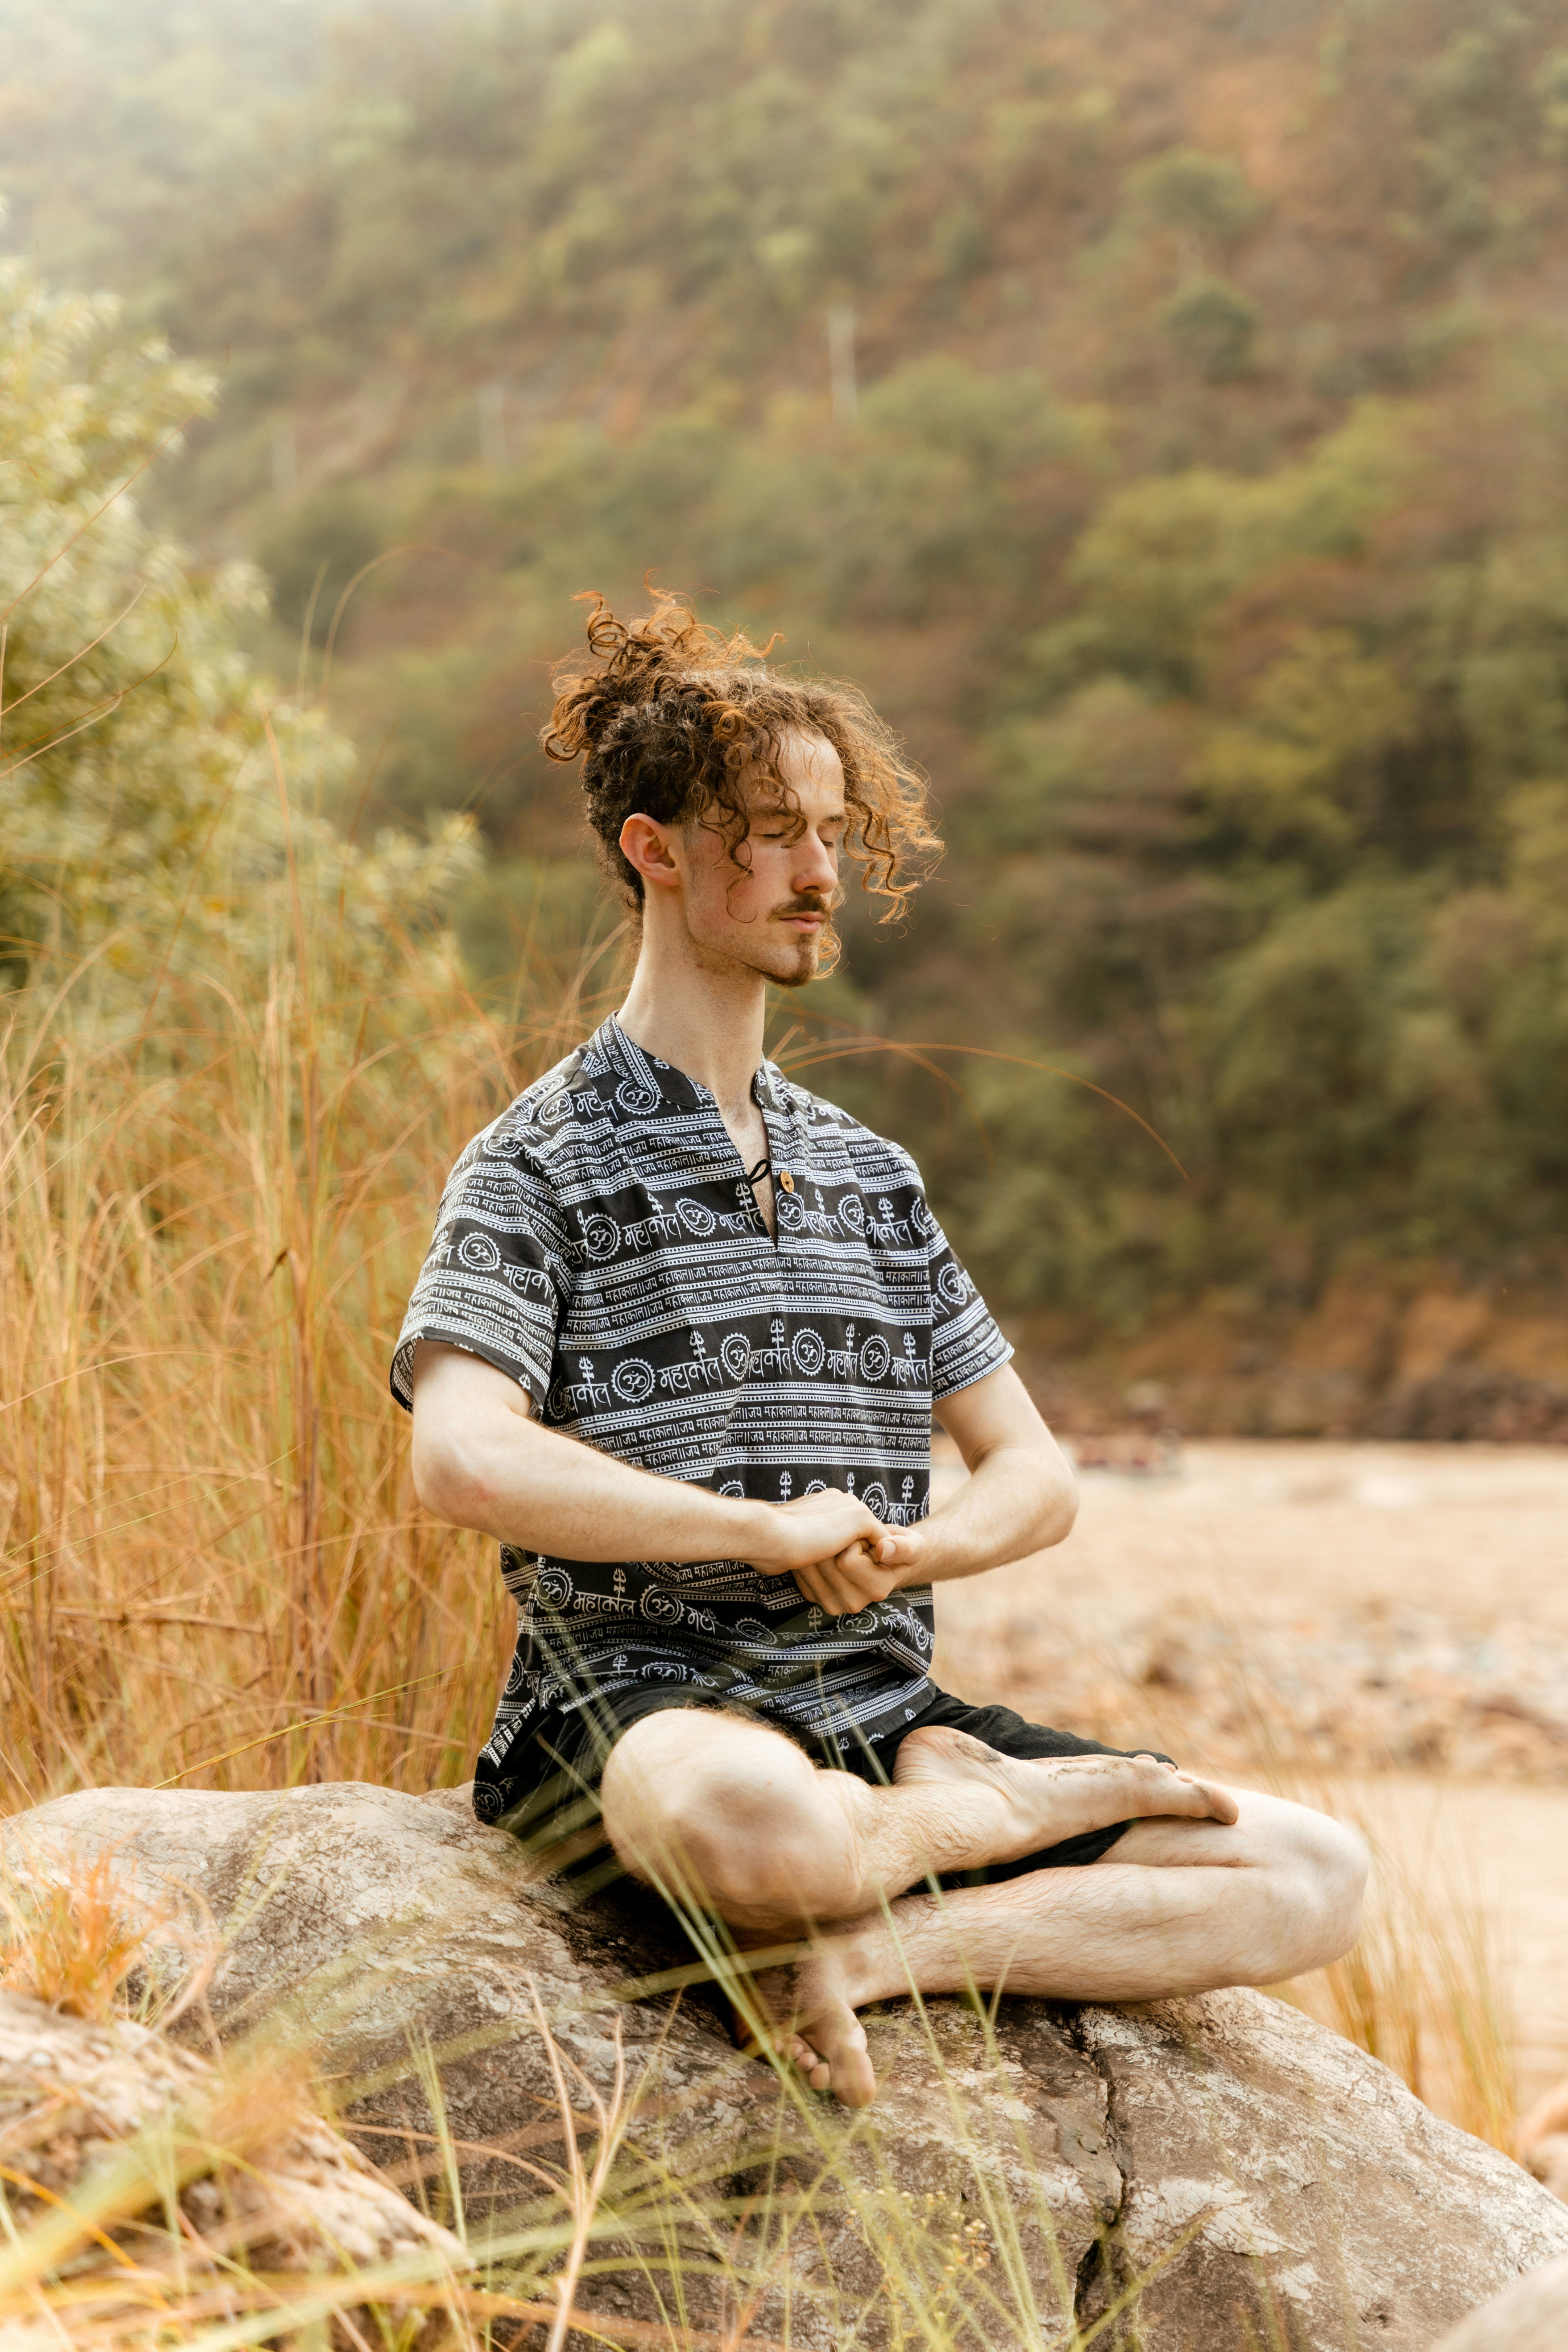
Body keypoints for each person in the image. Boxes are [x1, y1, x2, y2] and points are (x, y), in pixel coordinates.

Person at [393, 591, 1367, 2107]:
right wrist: (759, 1528)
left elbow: (1031, 1472)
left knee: (1313, 1872)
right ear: (652, 849)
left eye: (829, 830)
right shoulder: (534, 1160)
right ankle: (939, 1831)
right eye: (768, 830)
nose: (815, 870)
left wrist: (914, 1554)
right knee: (763, 1836)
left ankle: (876, 1949)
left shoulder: (869, 1172)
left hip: (880, 1702)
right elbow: (461, 1454)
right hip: (646, 1702)